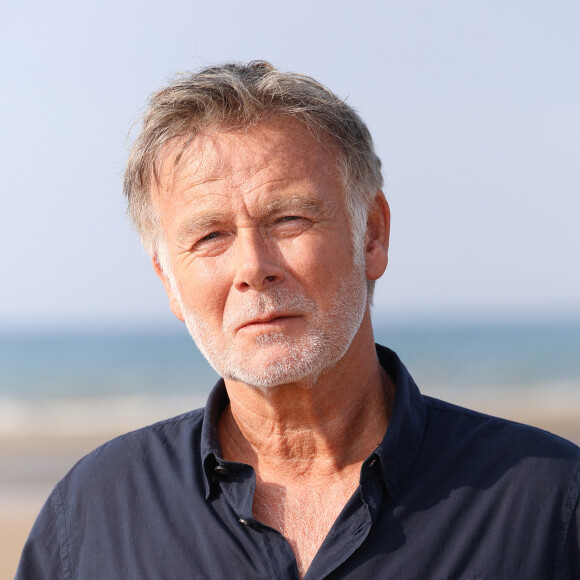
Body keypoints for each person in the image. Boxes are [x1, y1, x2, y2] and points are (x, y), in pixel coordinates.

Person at [17, 61, 579, 579]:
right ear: (168, 278)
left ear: (372, 235)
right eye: (210, 235)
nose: (253, 269)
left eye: (289, 219)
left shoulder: (547, 502)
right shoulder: (92, 517)